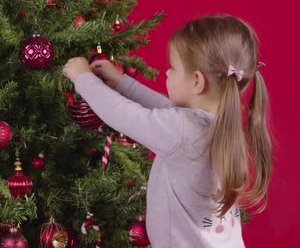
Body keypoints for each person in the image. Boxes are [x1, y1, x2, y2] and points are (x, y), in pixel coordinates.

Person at [63, 14, 273, 247]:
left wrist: (82, 78)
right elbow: (164, 111)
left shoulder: (181, 130)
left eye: (173, 68)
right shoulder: (222, 124)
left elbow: (123, 115)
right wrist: (123, 83)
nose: (167, 73)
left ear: (196, 81)